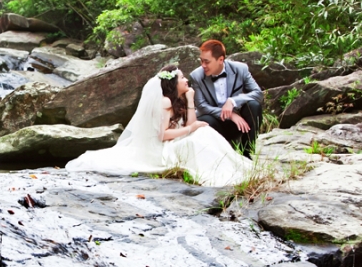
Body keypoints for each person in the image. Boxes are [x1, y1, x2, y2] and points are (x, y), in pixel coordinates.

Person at [65, 64, 253, 187]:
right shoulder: (165, 102)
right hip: (161, 149)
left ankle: (232, 166)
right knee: (198, 137)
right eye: (182, 78)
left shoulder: (180, 98)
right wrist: (191, 129)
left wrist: (189, 99)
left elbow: (192, 123)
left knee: (204, 132)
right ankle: (222, 172)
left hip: (173, 141)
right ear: (173, 83)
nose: (186, 80)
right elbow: (162, 135)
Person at [189, 40, 263, 159]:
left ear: (221, 60)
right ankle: (217, 155)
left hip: (238, 124)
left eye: (206, 62)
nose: (203, 65)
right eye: (201, 61)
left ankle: (246, 152)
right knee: (205, 119)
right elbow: (202, 106)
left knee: (253, 106)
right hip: (214, 121)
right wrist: (230, 115)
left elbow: (258, 93)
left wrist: (232, 101)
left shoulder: (240, 69)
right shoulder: (196, 76)